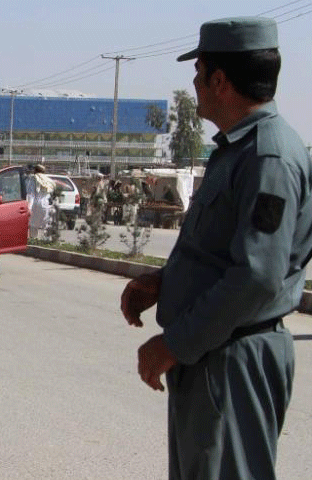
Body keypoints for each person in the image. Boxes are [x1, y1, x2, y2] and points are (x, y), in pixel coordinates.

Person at [120, 17, 312, 479]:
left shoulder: (268, 156)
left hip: (231, 359)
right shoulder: (239, 149)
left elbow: (257, 276)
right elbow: (223, 252)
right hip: (213, 353)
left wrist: (175, 343)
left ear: (220, 81)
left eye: (199, 71)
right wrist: (165, 283)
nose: (194, 82)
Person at [26, 164, 56, 239]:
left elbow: (31, 195)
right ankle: (47, 242)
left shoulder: (34, 179)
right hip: (46, 205)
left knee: (33, 225)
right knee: (46, 226)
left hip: (36, 205)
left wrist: (28, 208)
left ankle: (33, 241)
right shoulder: (48, 180)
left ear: (35, 171)